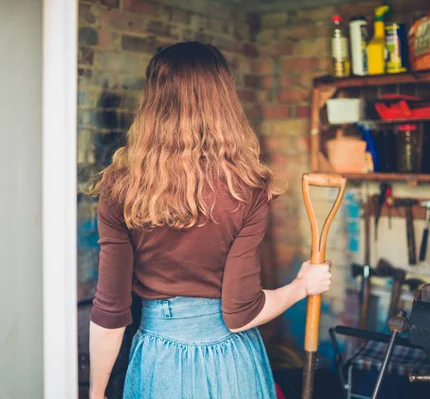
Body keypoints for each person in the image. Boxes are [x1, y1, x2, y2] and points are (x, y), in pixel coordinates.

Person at [87, 41, 332, 399]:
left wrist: (95, 393)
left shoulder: (119, 185)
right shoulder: (248, 187)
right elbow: (241, 314)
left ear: (153, 101)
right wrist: (301, 286)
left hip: (160, 362)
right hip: (231, 365)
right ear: (224, 100)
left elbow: (110, 312)